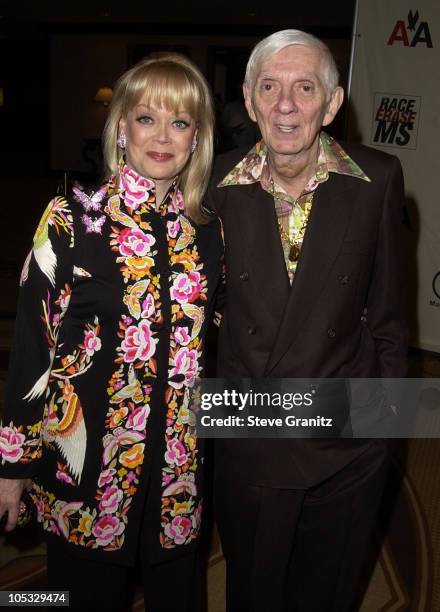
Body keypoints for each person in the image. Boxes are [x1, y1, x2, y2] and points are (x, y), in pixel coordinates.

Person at [0, 53, 223, 611]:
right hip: (87, 474)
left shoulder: (209, 233)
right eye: (147, 118)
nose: (163, 137)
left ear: (197, 138)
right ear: (121, 128)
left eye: (180, 122)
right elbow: (32, 349)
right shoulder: (70, 218)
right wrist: (13, 467)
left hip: (177, 474)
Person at [205, 30, 407, 611]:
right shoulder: (213, 187)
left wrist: (384, 431)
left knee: (329, 593)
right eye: (270, 87)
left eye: (304, 88)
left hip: (346, 435)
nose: (285, 105)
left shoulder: (378, 179)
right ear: (248, 99)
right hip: (251, 436)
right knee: (254, 592)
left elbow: (390, 318)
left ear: (333, 103)